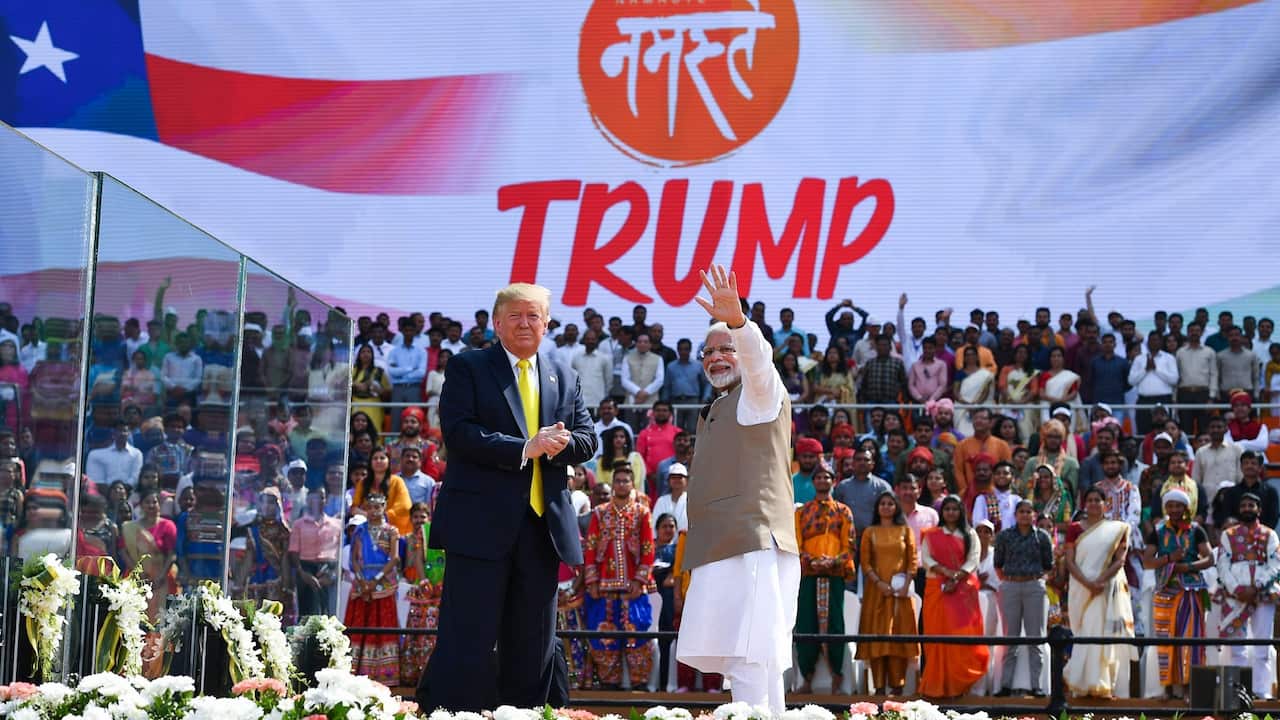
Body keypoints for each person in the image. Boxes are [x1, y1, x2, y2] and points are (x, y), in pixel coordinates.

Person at [419, 283, 597, 712]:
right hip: (480, 528)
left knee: (533, 643)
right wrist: (523, 447)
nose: (524, 323)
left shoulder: (564, 375)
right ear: (497, 322)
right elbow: (459, 433)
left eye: (533, 315)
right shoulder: (468, 367)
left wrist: (561, 444)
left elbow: (588, 439)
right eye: (514, 315)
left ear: (547, 323)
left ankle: (527, 713)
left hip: (541, 530)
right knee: (469, 636)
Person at [675, 265, 800, 716]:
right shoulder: (717, 407)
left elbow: (760, 366)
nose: (716, 357)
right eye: (709, 352)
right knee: (751, 656)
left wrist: (740, 325)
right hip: (723, 544)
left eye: (726, 348)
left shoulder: (759, 396)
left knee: (751, 652)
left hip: (753, 542)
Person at [583, 465, 656, 689]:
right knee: (604, 638)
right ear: (613, 484)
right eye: (618, 481)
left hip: (634, 587)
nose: (622, 484)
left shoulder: (642, 512)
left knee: (638, 637)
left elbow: (647, 547)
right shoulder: (600, 512)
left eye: (626, 481)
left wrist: (640, 579)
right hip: (604, 587)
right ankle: (609, 686)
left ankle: (639, 688)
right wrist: (592, 580)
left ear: (632, 484)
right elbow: (591, 547)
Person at [1063, 487, 1136, 699]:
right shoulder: (1075, 528)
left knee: (1101, 633)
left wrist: (1100, 581)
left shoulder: (1118, 528)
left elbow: (1120, 561)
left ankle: (1101, 684)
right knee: (1084, 632)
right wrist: (1088, 583)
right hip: (1081, 586)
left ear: (1107, 504)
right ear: (1084, 504)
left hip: (1105, 588)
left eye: (1098, 500)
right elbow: (1069, 561)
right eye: (1090, 500)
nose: (1094, 503)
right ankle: (1081, 684)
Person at [1142, 489, 1211, 700]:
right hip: (1165, 590)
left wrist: (1187, 566)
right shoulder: (1158, 531)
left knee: (1190, 638)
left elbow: (1209, 558)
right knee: (1166, 639)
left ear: (1185, 508)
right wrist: (1169, 559)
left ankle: (1190, 689)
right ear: (1165, 508)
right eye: (1170, 506)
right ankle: (1169, 689)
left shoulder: (1196, 530)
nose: (1174, 510)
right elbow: (1147, 561)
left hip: (1190, 590)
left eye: (1178, 506)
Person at [794, 462, 856, 694]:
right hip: (809, 573)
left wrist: (832, 561)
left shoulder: (843, 511)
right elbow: (795, 543)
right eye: (818, 477)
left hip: (834, 575)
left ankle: (836, 677)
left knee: (835, 625)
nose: (822, 481)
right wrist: (810, 559)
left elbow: (849, 545)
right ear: (813, 482)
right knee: (806, 623)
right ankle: (806, 679)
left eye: (826, 477)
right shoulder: (802, 512)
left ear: (834, 480)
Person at [919, 495, 988, 699]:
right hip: (936, 591)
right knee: (936, 637)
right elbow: (926, 559)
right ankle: (936, 687)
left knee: (963, 637)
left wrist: (956, 578)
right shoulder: (931, 535)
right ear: (942, 512)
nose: (951, 513)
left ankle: (960, 686)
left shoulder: (970, 535)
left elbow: (973, 560)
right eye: (947, 509)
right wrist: (947, 574)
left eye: (954, 509)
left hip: (963, 592)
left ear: (961, 512)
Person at [1215, 492, 1280, 700]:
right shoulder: (1228, 535)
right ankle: (1238, 695)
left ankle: (1261, 692)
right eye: (1243, 505)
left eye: (1251, 505)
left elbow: (1276, 564)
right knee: (1237, 649)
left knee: (1263, 645)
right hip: (1236, 597)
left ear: (1259, 510)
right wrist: (1238, 589)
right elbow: (1222, 565)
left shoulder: (1270, 535)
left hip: (1264, 595)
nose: (1247, 508)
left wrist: (1258, 587)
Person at [855, 491, 919, 695]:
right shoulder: (869, 532)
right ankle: (879, 687)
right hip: (876, 593)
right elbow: (865, 563)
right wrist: (879, 583)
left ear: (896, 507)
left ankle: (898, 686)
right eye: (882, 503)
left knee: (898, 638)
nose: (886, 507)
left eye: (890, 503)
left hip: (901, 593)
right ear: (877, 508)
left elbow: (913, 560)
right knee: (877, 638)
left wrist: (905, 585)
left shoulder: (905, 530)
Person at [992, 500, 1054, 697]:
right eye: (1021, 511)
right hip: (1010, 585)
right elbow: (998, 563)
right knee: (1011, 637)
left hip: (1034, 585)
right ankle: (1006, 685)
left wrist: (1031, 579)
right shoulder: (1005, 536)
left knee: (1036, 637)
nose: (1025, 515)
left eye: (1029, 512)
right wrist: (1011, 581)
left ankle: (1037, 686)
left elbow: (1048, 564)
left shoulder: (1042, 537)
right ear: (1016, 514)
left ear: (1034, 514)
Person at [344, 493, 401, 685]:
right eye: (370, 507)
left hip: (382, 583)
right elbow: (353, 559)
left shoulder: (391, 531)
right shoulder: (359, 531)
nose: (374, 511)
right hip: (362, 584)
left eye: (378, 507)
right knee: (359, 624)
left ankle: (384, 674)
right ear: (365, 508)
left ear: (384, 507)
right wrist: (361, 581)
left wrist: (375, 581)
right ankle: (355, 670)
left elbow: (394, 558)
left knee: (383, 625)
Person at [402, 501, 446, 687]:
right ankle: (415, 675)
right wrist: (424, 580)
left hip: (444, 589)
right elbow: (418, 559)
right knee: (418, 629)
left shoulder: (453, 525)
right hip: (425, 589)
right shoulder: (424, 530)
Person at [288, 486, 341, 617]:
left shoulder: (336, 524)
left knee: (328, 612)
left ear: (326, 500)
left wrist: (333, 573)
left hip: (328, 569)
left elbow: (339, 551)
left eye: (321, 497)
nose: (317, 501)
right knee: (307, 612)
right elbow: (293, 551)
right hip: (306, 569)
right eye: (313, 498)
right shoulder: (299, 524)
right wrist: (303, 574)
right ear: (307, 500)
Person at [651, 462, 689, 532]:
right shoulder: (661, 501)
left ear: (687, 480)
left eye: (680, 477)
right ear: (668, 481)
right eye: (673, 477)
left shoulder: (691, 500)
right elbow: (654, 525)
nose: (676, 480)